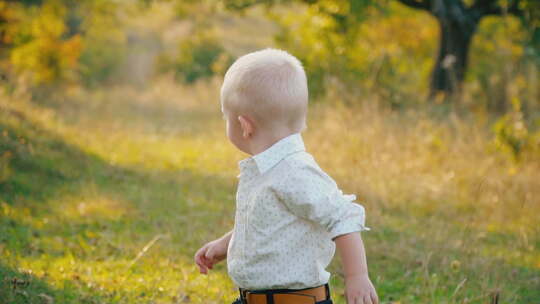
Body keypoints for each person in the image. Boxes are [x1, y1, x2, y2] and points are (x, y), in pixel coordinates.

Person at [194, 48, 379, 304]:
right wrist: (226, 244)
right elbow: (267, 224)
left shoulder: (295, 171)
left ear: (245, 126)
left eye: (226, 118)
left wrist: (357, 276)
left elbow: (343, 217)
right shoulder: (265, 169)